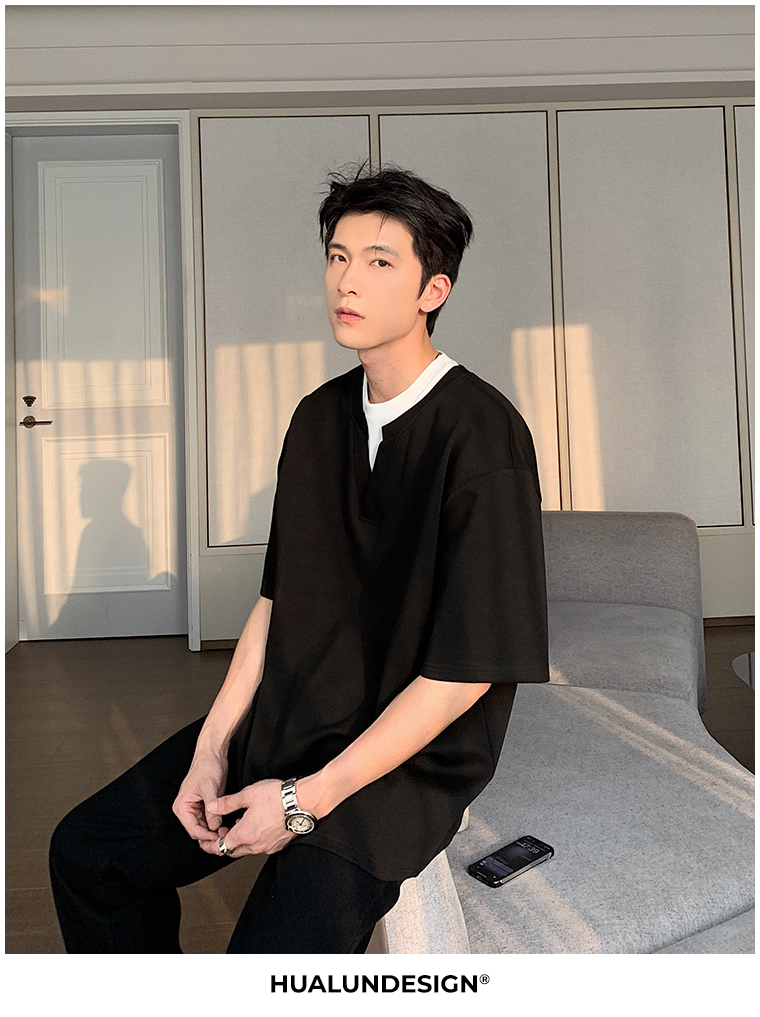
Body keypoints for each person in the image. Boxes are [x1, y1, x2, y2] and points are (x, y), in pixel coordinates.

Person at [48, 161, 550, 954]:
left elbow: (466, 674)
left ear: (433, 289)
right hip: (293, 714)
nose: (347, 280)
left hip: (401, 767)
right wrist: (212, 749)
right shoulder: (318, 418)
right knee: (88, 855)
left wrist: (303, 801)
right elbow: (275, 603)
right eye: (338, 256)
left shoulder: (484, 438)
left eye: (379, 261)